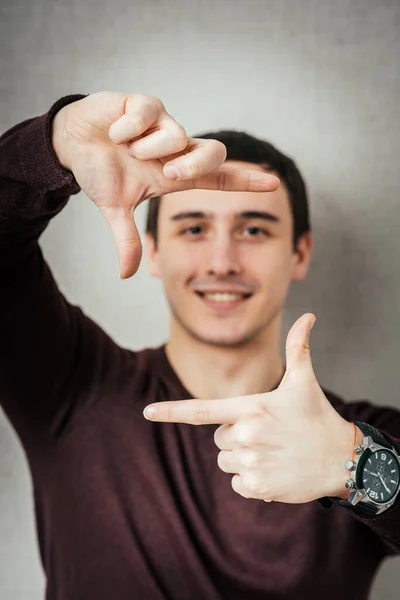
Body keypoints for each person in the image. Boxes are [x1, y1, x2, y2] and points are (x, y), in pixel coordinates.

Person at [1, 91, 400, 600]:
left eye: (253, 229)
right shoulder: (73, 386)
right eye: (194, 228)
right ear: (156, 251)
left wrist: (356, 464)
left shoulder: (361, 437)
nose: (221, 262)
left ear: (299, 254)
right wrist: (55, 143)